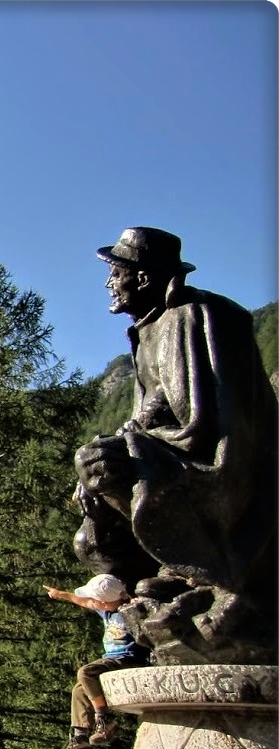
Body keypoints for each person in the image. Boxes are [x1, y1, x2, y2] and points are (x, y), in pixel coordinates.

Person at [72, 227, 278, 662]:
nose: (110, 282)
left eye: (116, 272)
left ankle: (204, 574)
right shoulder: (148, 330)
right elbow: (152, 410)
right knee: (95, 474)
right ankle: (175, 568)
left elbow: (213, 419)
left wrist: (134, 445)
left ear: (143, 278)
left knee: (105, 464)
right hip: (175, 448)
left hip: (217, 459)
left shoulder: (198, 316)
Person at [44, 573, 149, 749]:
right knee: (79, 689)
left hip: (128, 658)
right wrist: (61, 594)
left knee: (86, 672)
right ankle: (80, 738)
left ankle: (104, 718)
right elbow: (82, 601)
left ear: (105, 602)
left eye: (96, 599)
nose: (92, 601)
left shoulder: (131, 611)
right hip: (111, 659)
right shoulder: (107, 611)